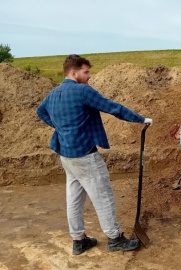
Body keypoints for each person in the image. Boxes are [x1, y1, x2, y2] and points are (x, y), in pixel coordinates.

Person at [36, 54, 153, 255]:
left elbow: (41, 111)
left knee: (73, 198)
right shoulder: (82, 91)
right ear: (74, 72)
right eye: (86, 72)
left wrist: (61, 128)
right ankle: (115, 238)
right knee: (103, 195)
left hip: (66, 155)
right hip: (84, 155)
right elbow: (112, 107)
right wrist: (141, 119)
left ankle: (79, 240)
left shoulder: (54, 93)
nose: (89, 76)